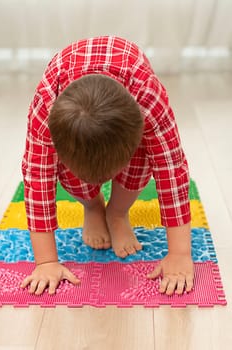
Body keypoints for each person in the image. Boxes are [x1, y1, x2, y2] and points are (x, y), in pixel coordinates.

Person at [20, 36, 194, 296]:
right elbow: (38, 178)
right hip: (68, 89)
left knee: (147, 160)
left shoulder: (148, 99)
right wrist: (46, 262)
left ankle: (117, 213)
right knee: (67, 177)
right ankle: (93, 206)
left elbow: (171, 170)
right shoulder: (46, 106)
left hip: (130, 89)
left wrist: (179, 253)